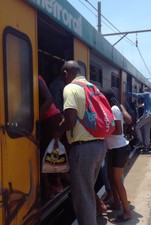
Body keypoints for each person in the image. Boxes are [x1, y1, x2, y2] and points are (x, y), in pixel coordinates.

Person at [56, 60, 106, 225]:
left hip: (84, 150)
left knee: (83, 198)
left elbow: (70, 120)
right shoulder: (92, 87)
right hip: (99, 146)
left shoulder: (70, 88)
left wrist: (56, 133)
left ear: (65, 74)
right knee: (88, 192)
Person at [102, 89, 132, 222]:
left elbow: (118, 130)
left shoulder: (114, 109)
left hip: (120, 148)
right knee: (110, 177)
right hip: (113, 149)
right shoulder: (111, 108)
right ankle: (117, 203)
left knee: (117, 180)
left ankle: (127, 211)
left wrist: (102, 130)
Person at [38, 75, 65, 202]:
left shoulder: (36, 78)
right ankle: (56, 185)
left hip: (51, 120)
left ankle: (51, 190)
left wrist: (34, 119)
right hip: (51, 120)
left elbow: (48, 99)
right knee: (52, 155)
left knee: (45, 157)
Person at [128, 87, 151, 152]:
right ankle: (146, 147)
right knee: (147, 131)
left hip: (148, 114)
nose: (142, 92)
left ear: (145, 91)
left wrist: (127, 93)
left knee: (137, 126)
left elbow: (137, 95)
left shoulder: (147, 94)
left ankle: (140, 142)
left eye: (143, 91)